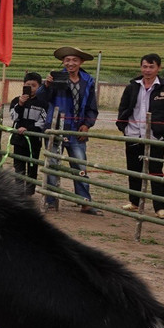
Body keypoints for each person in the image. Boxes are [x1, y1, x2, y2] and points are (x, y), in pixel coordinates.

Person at [116, 53, 164, 219]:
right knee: (133, 170)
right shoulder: (132, 87)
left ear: (159, 68)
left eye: (151, 66)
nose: (147, 70)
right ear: (140, 67)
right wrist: (123, 127)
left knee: (156, 171)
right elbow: (123, 108)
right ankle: (134, 202)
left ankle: (160, 207)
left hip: (155, 136)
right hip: (133, 134)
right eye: (144, 66)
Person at [41, 45, 101, 215]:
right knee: (53, 165)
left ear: (81, 62)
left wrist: (87, 125)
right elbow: (42, 98)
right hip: (55, 129)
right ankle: (50, 200)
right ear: (63, 62)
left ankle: (84, 201)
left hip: (77, 130)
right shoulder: (55, 78)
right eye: (67, 60)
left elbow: (91, 106)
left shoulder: (87, 81)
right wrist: (46, 86)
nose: (70, 63)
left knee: (80, 165)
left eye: (74, 60)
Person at [8, 72, 49, 197]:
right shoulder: (16, 101)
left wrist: (28, 129)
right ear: (23, 85)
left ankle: (29, 192)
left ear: (39, 87)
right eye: (27, 85)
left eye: (34, 85)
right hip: (18, 139)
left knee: (32, 166)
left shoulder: (42, 103)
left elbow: (42, 123)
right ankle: (19, 192)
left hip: (34, 140)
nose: (30, 87)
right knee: (19, 165)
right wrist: (20, 105)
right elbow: (13, 117)